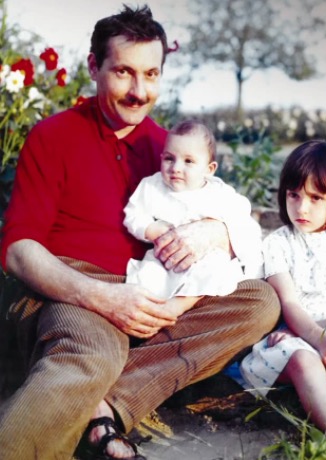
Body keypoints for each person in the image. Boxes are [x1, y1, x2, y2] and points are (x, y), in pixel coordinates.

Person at [0, 4, 280, 460]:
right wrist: (101, 297)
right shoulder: (53, 137)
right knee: (94, 351)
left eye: (151, 74)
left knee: (259, 301)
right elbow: (17, 251)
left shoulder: (168, 150)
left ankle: (105, 406)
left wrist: (214, 231)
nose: (139, 91)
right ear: (94, 67)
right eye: (124, 73)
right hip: (72, 289)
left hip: (154, 290)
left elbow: (238, 219)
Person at [240, 140, 326, 435]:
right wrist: (317, 337)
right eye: (294, 195)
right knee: (304, 362)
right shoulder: (278, 243)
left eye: (316, 198)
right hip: (297, 335)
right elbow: (290, 304)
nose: (301, 207)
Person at [123, 119, 264, 310]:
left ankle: (180, 305)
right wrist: (150, 229)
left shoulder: (218, 192)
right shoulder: (153, 186)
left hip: (203, 260)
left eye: (188, 161)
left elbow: (241, 215)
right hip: (165, 259)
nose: (176, 168)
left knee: (215, 270)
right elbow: (133, 213)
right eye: (169, 158)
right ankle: (150, 311)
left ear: (209, 169)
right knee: (148, 276)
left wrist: (222, 229)